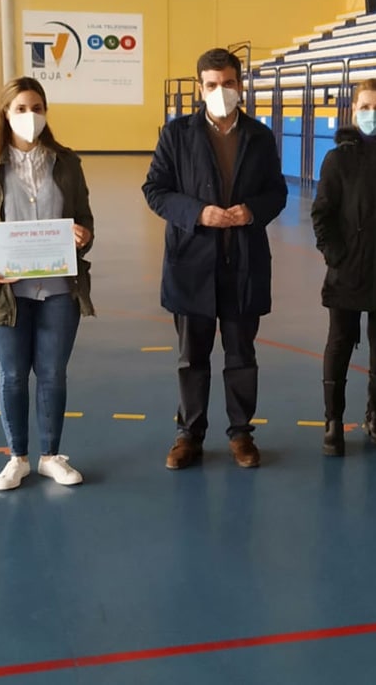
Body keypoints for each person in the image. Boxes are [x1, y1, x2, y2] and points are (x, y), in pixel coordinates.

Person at [142, 48, 288, 470]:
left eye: (227, 83)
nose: (220, 91)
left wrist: (252, 211)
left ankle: (241, 434)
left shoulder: (259, 137)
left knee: (242, 355)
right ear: (200, 87)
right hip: (191, 263)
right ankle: (189, 434)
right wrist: (196, 213)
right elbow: (155, 190)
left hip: (243, 263)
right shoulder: (176, 135)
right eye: (211, 85)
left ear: (240, 85)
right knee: (192, 357)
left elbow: (276, 192)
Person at [0, 77, 95, 491]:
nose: (30, 116)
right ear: (5, 114)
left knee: (53, 374)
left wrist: (83, 235)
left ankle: (51, 456)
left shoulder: (66, 163)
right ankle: (17, 457)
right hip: (6, 292)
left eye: (37, 107)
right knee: (14, 375)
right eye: (20, 108)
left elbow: (85, 219)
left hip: (58, 289)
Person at [311, 79, 376, 455]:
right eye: (366, 106)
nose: (373, 113)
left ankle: (375, 415)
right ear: (354, 110)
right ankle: (333, 420)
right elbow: (322, 214)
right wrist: (335, 255)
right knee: (339, 343)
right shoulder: (338, 158)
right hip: (347, 269)